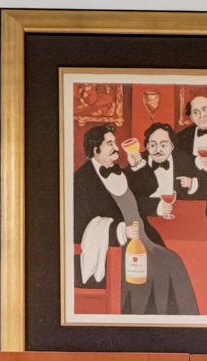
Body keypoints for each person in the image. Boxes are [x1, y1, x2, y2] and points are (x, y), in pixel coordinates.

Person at [71, 123, 198, 315]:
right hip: (114, 249)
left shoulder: (119, 171)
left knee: (173, 261)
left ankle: (181, 323)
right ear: (96, 150)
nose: (116, 147)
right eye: (110, 144)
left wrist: (137, 165)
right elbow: (78, 226)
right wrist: (119, 231)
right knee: (151, 269)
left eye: (115, 143)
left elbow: (148, 187)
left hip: (143, 239)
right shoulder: (82, 180)